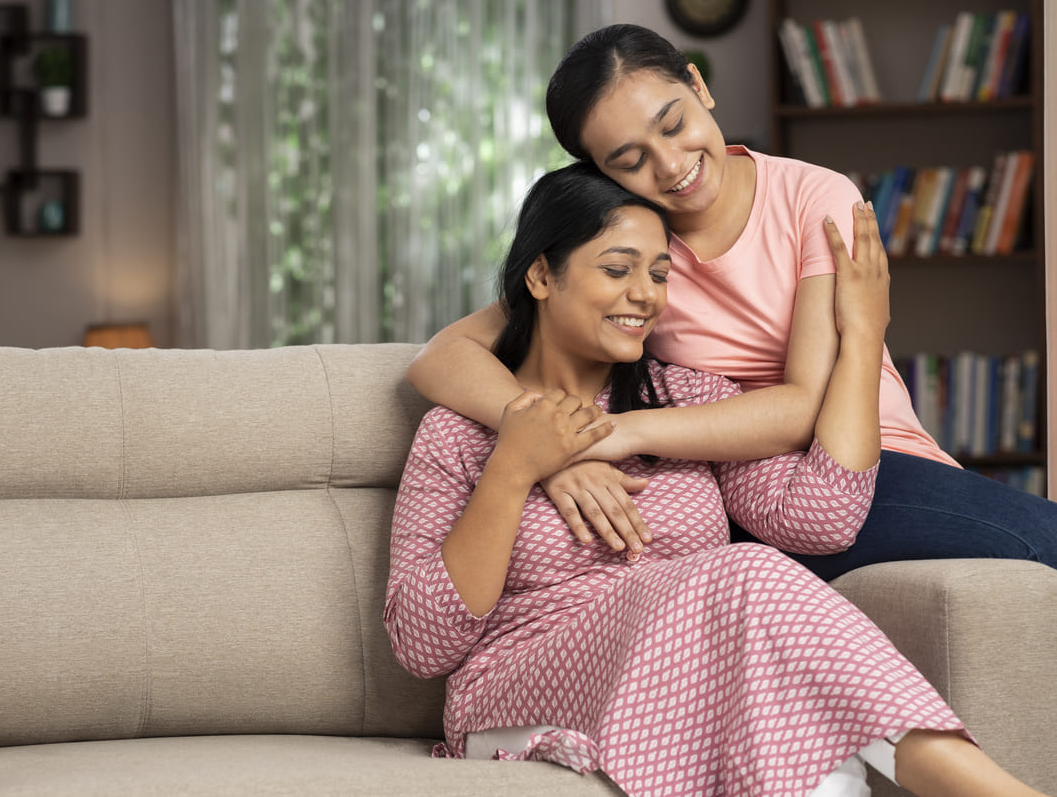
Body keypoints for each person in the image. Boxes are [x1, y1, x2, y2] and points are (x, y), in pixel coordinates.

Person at [384, 162, 1047, 797]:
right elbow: (422, 643)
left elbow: (823, 516)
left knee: (773, 701)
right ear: (540, 276)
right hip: (518, 684)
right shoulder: (460, 430)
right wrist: (515, 468)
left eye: (659, 273)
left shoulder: (686, 397)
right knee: (747, 574)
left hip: (686, 671)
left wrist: (864, 331)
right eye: (618, 269)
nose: (644, 295)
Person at [404, 24, 1057, 582]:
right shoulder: (632, 260)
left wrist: (609, 436)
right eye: (629, 160)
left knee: (1041, 540)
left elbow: (803, 407)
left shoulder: (815, 198)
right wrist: (542, 442)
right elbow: (440, 358)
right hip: (737, 493)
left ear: (699, 86)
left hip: (864, 458)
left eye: (675, 123)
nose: (670, 165)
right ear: (601, 174)